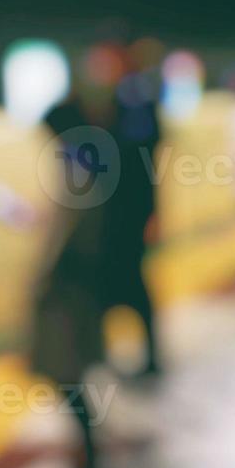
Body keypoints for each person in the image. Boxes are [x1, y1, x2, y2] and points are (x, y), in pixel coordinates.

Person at [30, 97, 111, 468]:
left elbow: (68, 236)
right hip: (78, 290)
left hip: (66, 293)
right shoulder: (87, 163)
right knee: (71, 380)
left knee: (69, 379)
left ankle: (90, 467)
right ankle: (88, 462)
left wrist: (41, 283)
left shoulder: (75, 167)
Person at [101, 67, 164, 377]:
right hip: (124, 213)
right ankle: (134, 354)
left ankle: (150, 355)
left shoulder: (133, 100)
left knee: (133, 286)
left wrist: (151, 213)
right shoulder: (128, 101)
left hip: (128, 214)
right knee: (125, 286)